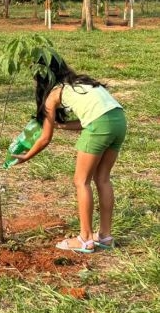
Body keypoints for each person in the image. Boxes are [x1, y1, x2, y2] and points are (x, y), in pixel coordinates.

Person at [12, 57, 126, 254]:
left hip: (99, 126)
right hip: (119, 121)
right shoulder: (83, 82)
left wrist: (26, 156)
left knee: (81, 181)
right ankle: (105, 236)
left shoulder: (54, 95)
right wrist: (61, 125)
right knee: (103, 179)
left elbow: (45, 139)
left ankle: (85, 238)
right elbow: (93, 118)